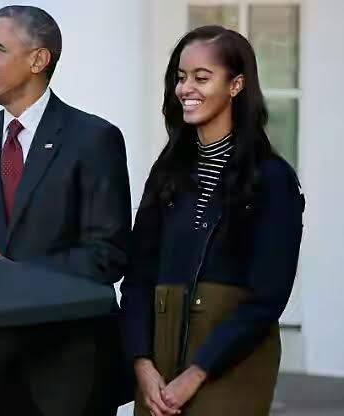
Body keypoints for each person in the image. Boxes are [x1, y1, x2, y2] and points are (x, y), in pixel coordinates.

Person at [0, 5, 131, 416]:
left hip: (68, 369)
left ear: (38, 60)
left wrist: (8, 269)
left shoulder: (94, 139)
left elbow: (107, 255)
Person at [120, 25, 304, 416]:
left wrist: (198, 372)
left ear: (236, 85)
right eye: (181, 78)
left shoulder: (272, 179)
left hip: (231, 361)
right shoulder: (167, 173)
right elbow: (137, 277)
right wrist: (141, 363)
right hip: (159, 362)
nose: (186, 88)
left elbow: (268, 295)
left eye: (202, 78)